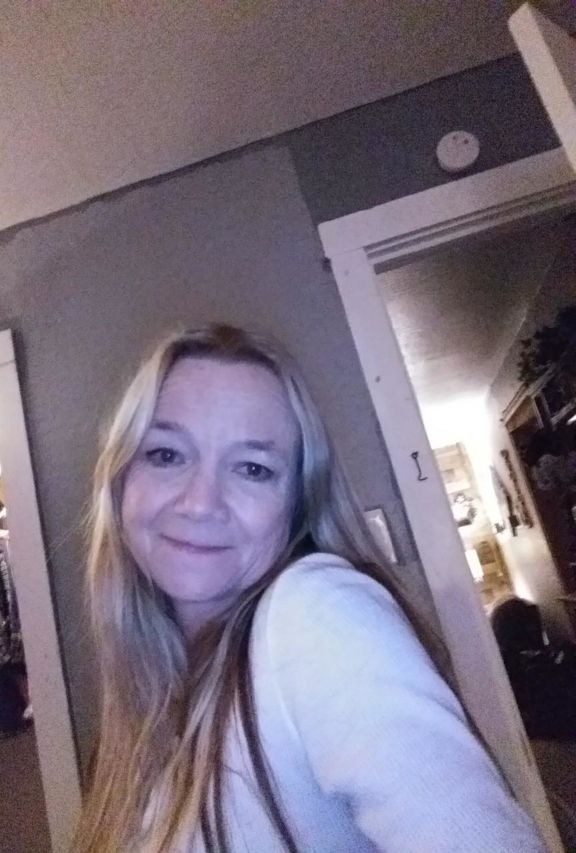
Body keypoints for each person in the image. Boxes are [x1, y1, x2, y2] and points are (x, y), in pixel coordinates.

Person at [75, 323, 545, 853]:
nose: (200, 502)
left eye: (253, 468)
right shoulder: (144, 718)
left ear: (297, 507)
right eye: (166, 455)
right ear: (120, 480)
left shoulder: (314, 612)